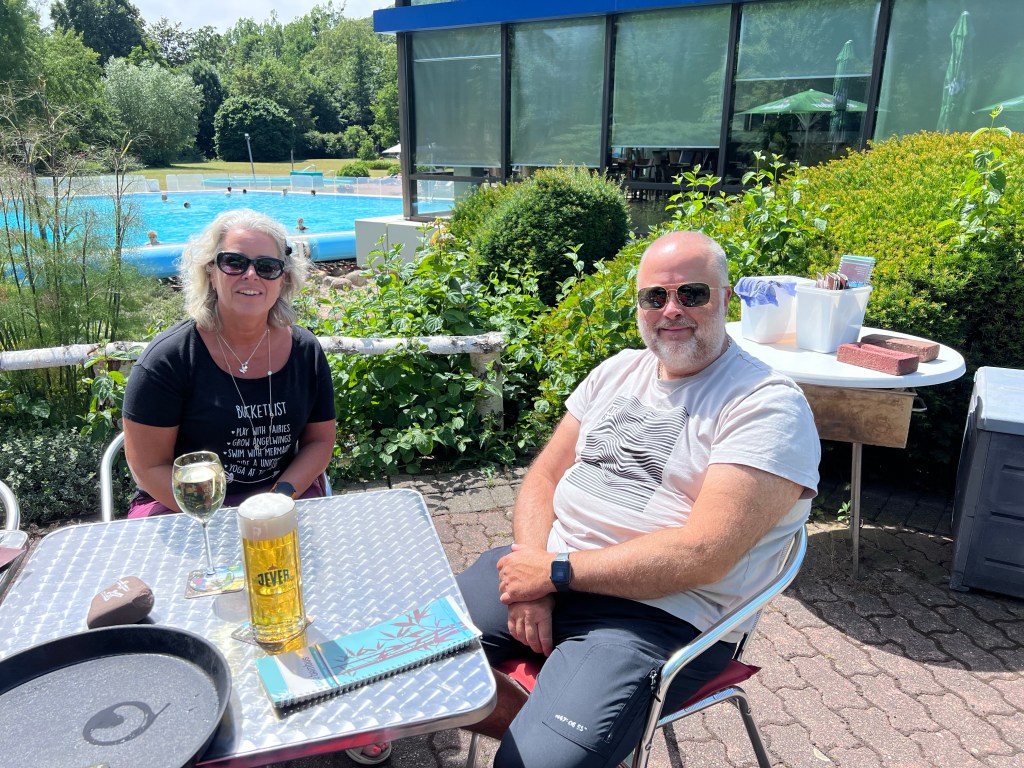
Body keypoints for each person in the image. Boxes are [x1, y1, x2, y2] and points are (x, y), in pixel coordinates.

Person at [456, 230, 820, 768]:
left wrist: (554, 573)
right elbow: (544, 478)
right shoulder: (617, 371)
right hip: (551, 567)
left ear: (725, 299)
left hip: (655, 615)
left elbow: (703, 554)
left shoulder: (765, 406)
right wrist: (533, 573)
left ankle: (552, 740)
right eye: (655, 296)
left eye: (691, 293)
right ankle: (544, 730)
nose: (671, 310)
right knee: (398, 665)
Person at [121, 208, 336, 518]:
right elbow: (148, 466)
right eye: (234, 262)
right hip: (182, 504)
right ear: (211, 272)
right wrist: (218, 517)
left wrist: (278, 498)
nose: (251, 275)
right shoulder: (168, 360)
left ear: (283, 279)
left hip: (279, 498)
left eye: (267, 266)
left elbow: (319, 441)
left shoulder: (305, 352)